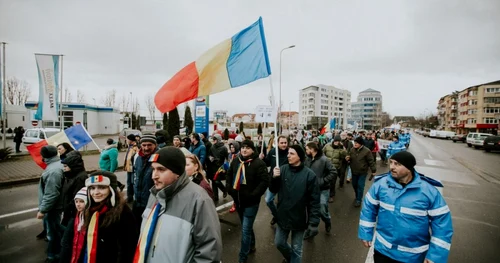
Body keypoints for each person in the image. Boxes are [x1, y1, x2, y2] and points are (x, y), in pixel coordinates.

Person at [359, 152, 453, 263]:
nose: (392, 167)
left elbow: (442, 225)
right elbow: (368, 209)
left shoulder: (429, 191)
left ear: (409, 168)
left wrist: (435, 256)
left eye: (397, 164)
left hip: (413, 257)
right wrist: (366, 233)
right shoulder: (380, 185)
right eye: (391, 163)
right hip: (383, 251)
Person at [134, 147, 222, 262]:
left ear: (177, 172)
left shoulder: (199, 199)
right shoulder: (154, 194)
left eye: (161, 169)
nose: (154, 176)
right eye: (153, 169)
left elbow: (209, 251)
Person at [270, 145, 320, 263]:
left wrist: (313, 223)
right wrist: (274, 177)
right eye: (288, 153)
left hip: (299, 218)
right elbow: (273, 189)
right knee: (279, 243)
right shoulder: (282, 169)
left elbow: (314, 201)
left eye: (292, 153)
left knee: (297, 249)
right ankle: (290, 258)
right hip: (283, 216)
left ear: (300, 157)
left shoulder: (309, 175)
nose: (288, 155)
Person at [226, 140, 269, 263]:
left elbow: (264, 182)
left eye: (247, 148)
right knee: (247, 227)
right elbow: (229, 175)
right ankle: (252, 245)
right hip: (238, 201)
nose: (244, 150)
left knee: (245, 230)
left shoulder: (259, 164)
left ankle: (242, 257)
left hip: (251, 203)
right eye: (243, 147)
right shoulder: (236, 161)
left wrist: (253, 195)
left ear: (252, 149)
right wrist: (230, 189)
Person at [85, 171, 138, 262]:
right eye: (92, 188)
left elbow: (128, 248)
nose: (95, 192)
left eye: (102, 187)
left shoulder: (123, 213)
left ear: (112, 189)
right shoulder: (92, 209)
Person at [37, 145, 64, 263]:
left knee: (53, 232)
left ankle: (53, 255)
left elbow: (52, 193)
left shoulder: (53, 170)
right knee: (57, 229)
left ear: (43, 156)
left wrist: (42, 210)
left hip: (54, 207)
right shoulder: (56, 165)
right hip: (55, 205)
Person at [305, 142, 336, 234]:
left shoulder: (324, 160)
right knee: (310, 210)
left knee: (322, 209)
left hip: (323, 189)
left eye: (307, 149)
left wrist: (323, 181)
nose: (306, 151)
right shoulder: (307, 160)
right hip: (310, 189)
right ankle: (310, 229)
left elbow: (333, 172)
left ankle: (327, 221)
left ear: (312, 149)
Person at [261, 135, 289, 226]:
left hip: (286, 182)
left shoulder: (290, 152)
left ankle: (282, 218)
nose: (284, 144)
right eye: (282, 143)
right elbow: (267, 163)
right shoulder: (273, 151)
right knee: (268, 200)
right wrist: (262, 159)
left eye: (285, 143)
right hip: (273, 180)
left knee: (283, 203)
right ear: (277, 143)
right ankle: (276, 215)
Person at [133, 134, 158, 227]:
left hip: (151, 202)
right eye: (144, 145)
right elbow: (135, 176)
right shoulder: (138, 158)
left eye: (149, 145)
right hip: (138, 201)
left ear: (155, 145)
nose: (146, 148)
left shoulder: (159, 158)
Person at [60, 187, 88, 263]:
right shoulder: (75, 219)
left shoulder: (90, 220)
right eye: (76, 201)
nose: (78, 204)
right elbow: (66, 242)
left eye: (82, 201)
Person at [346, 137, 376, 207]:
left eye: (357, 143)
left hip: (362, 172)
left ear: (361, 143)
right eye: (354, 142)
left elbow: (371, 161)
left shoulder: (367, 151)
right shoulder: (352, 149)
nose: (355, 144)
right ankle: (357, 196)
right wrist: (348, 159)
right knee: (354, 185)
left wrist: (373, 170)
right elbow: (349, 157)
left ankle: (359, 200)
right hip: (354, 171)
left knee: (360, 185)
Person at [60, 151, 88, 226]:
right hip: (68, 211)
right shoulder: (70, 175)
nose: (64, 168)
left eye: (65, 166)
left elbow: (77, 196)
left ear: (73, 166)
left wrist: (69, 208)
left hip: (73, 212)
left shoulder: (80, 178)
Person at [322, 135, 347, 202]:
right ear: (333, 140)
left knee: (333, 182)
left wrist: (342, 148)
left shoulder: (341, 148)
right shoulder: (327, 146)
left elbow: (345, 155)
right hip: (326, 167)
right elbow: (322, 153)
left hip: (335, 168)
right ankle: (324, 193)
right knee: (325, 181)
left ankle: (331, 195)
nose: (336, 142)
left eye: (338, 141)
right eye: (336, 141)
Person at [206, 134, 228, 201]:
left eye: (215, 140)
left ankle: (224, 190)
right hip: (212, 166)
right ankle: (215, 196)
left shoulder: (224, 148)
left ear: (218, 140)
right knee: (213, 181)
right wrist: (211, 158)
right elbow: (209, 154)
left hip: (220, 167)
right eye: (213, 140)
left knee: (217, 181)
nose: (214, 141)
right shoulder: (212, 147)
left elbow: (227, 158)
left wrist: (225, 166)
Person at [124, 134, 139, 202]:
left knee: (133, 183)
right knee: (129, 183)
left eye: (127, 139)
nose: (126, 140)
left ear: (131, 140)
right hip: (129, 168)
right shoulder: (130, 147)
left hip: (133, 168)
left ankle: (135, 198)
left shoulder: (136, 147)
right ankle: (129, 197)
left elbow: (137, 158)